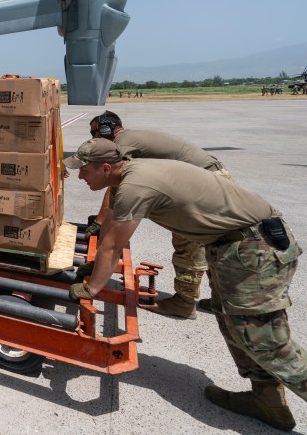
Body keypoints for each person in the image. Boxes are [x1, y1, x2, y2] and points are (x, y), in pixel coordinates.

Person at [67, 138, 306, 430]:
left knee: (267, 342)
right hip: (233, 248)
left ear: (105, 168)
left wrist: (91, 287)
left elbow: (113, 246)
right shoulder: (125, 177)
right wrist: (96, 266)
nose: (79, 176)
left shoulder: (136, 186)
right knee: (234, 324)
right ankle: (267, 402)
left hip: (254, 247)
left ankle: (269, 398)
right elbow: (110, 227)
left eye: (84, 170)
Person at [86, 111, 232, 319]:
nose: (93, 138)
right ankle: (220, 301)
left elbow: (113, 194)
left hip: (202, 185)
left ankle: (184, 303)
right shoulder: (129, 141)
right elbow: (116, 198)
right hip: (212, 178)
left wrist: (102, 234)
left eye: (94, 132)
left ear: (107, 129)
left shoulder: (121, 145)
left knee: (187, 241)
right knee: (214, 242)